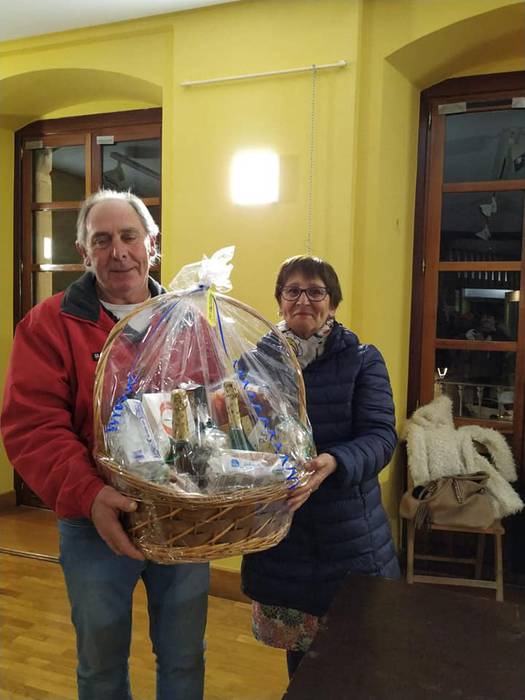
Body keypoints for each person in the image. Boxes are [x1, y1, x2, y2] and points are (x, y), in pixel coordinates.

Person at [1, 190, 209, 700]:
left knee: (184, 659)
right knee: (100, 666)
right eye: (102, 240)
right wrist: (90, 494)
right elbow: (33, 426)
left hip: (182, 517)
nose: (118, 252)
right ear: (83, 253)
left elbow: (213, 411)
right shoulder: (48, 325)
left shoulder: (186, 322)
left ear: (151, 245)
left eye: (129, 236)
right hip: (93, 521)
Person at [241, 255, 400, 679]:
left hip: (348, 538)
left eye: (315, 291)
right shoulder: (255, 364)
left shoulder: (362, 360)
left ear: (333, 303)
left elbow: (381, 438)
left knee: (359, 661)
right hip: (284, 540)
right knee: (302, 667)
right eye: (292, 291)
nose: (303, 300)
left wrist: (335, 461)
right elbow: (238, 436)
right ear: (279, 300)